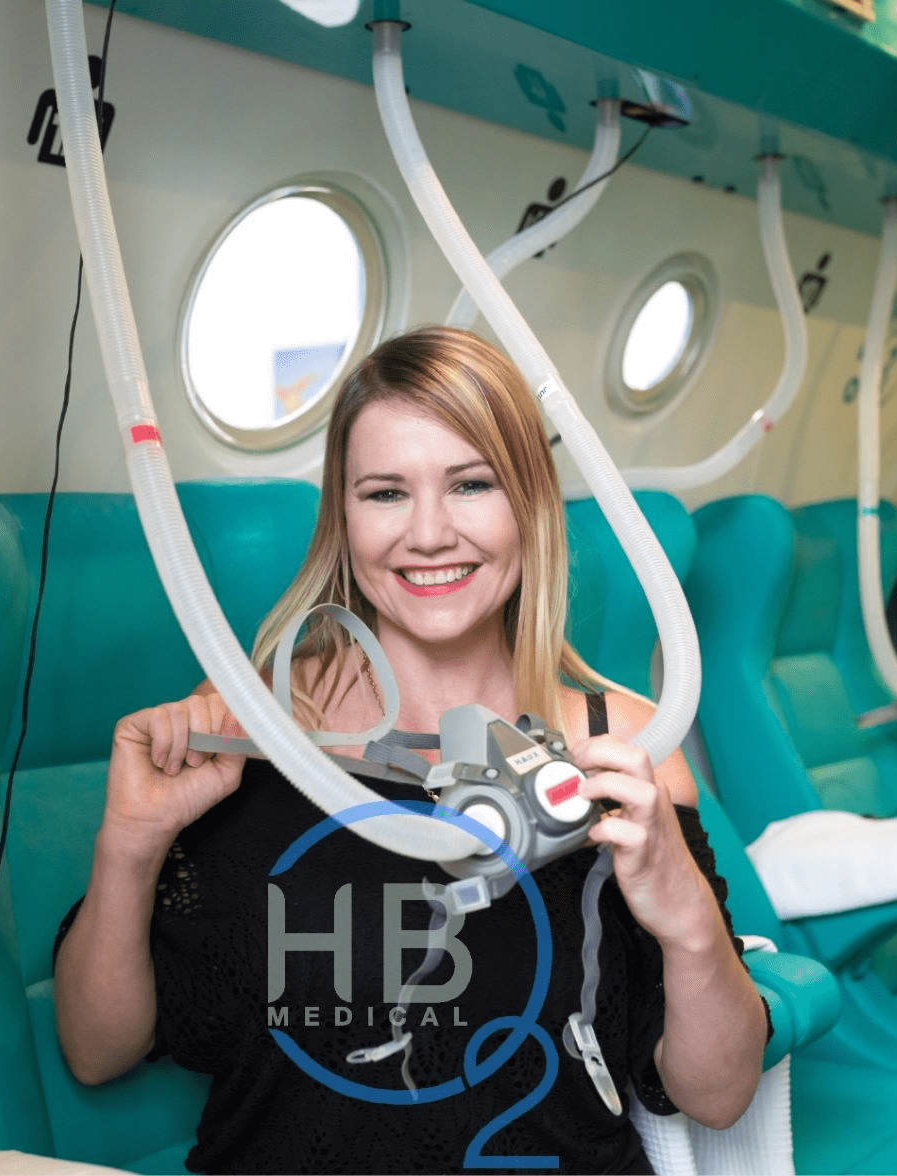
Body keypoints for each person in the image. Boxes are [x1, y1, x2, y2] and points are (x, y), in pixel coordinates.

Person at [52, 327, 768, 1174]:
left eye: (471, 484)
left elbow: (719, 1095)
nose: (428, 534)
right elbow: (96, 1051)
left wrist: (686, 916)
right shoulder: (254, 727)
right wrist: (131, 846)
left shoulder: (619, 748)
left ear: (530, 503)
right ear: (343, 515)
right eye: (386, 493)